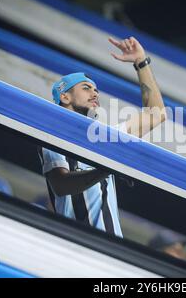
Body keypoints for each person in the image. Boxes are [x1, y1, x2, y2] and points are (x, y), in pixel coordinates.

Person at [39, 36, 166, 238]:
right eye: (86, 88)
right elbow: (61, 185)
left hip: (112, 247)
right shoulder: (52, 134)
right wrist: (107, 167)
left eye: (96, 90)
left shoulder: (106, 137)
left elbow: (157, 114)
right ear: (65, 96)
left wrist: (141, 62)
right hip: (75, 245)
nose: (95, 93)